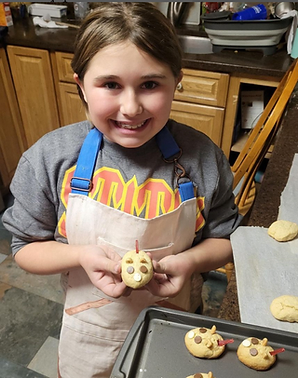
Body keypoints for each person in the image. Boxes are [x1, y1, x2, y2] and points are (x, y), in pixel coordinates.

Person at [3, 3, 242, 377]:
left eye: (150, 84)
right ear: (81, 84)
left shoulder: (201, 159)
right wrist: (81, 256)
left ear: (176, 81)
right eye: (110, 84)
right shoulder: (50, 159)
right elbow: (24, 249)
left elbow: (226, 239)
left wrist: (191, 262)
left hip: (174, 325)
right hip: (89, 333)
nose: (131, 108)